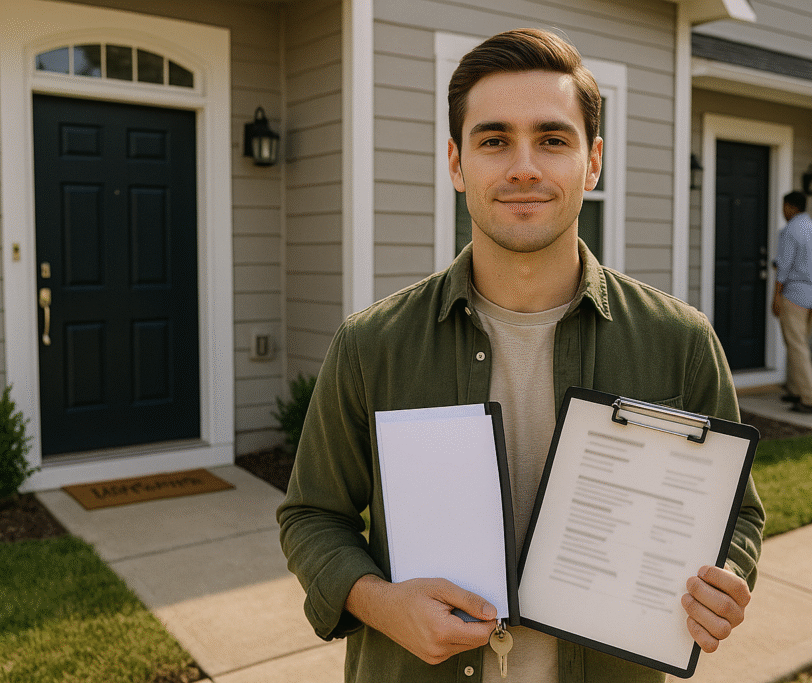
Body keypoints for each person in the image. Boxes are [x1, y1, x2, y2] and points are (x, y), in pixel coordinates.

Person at [278, 28, 765, 683]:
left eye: (553, 139)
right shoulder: (372, 344)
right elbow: (312, 514)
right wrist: (379, 601)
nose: (524, 167)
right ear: (456, 162)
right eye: (494, 139)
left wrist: (726, 578)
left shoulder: (679, 340)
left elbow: (737, 513)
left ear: (592, 163)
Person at [772, 191, 812, 414]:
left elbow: (783, 269)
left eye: (783, 206)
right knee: (800, 343)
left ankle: (810, 399)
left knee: (797, 346)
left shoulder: (790, 231)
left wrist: (776, 297)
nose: (783, 211)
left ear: (790, 207)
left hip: (795, 295)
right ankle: (795, 389)